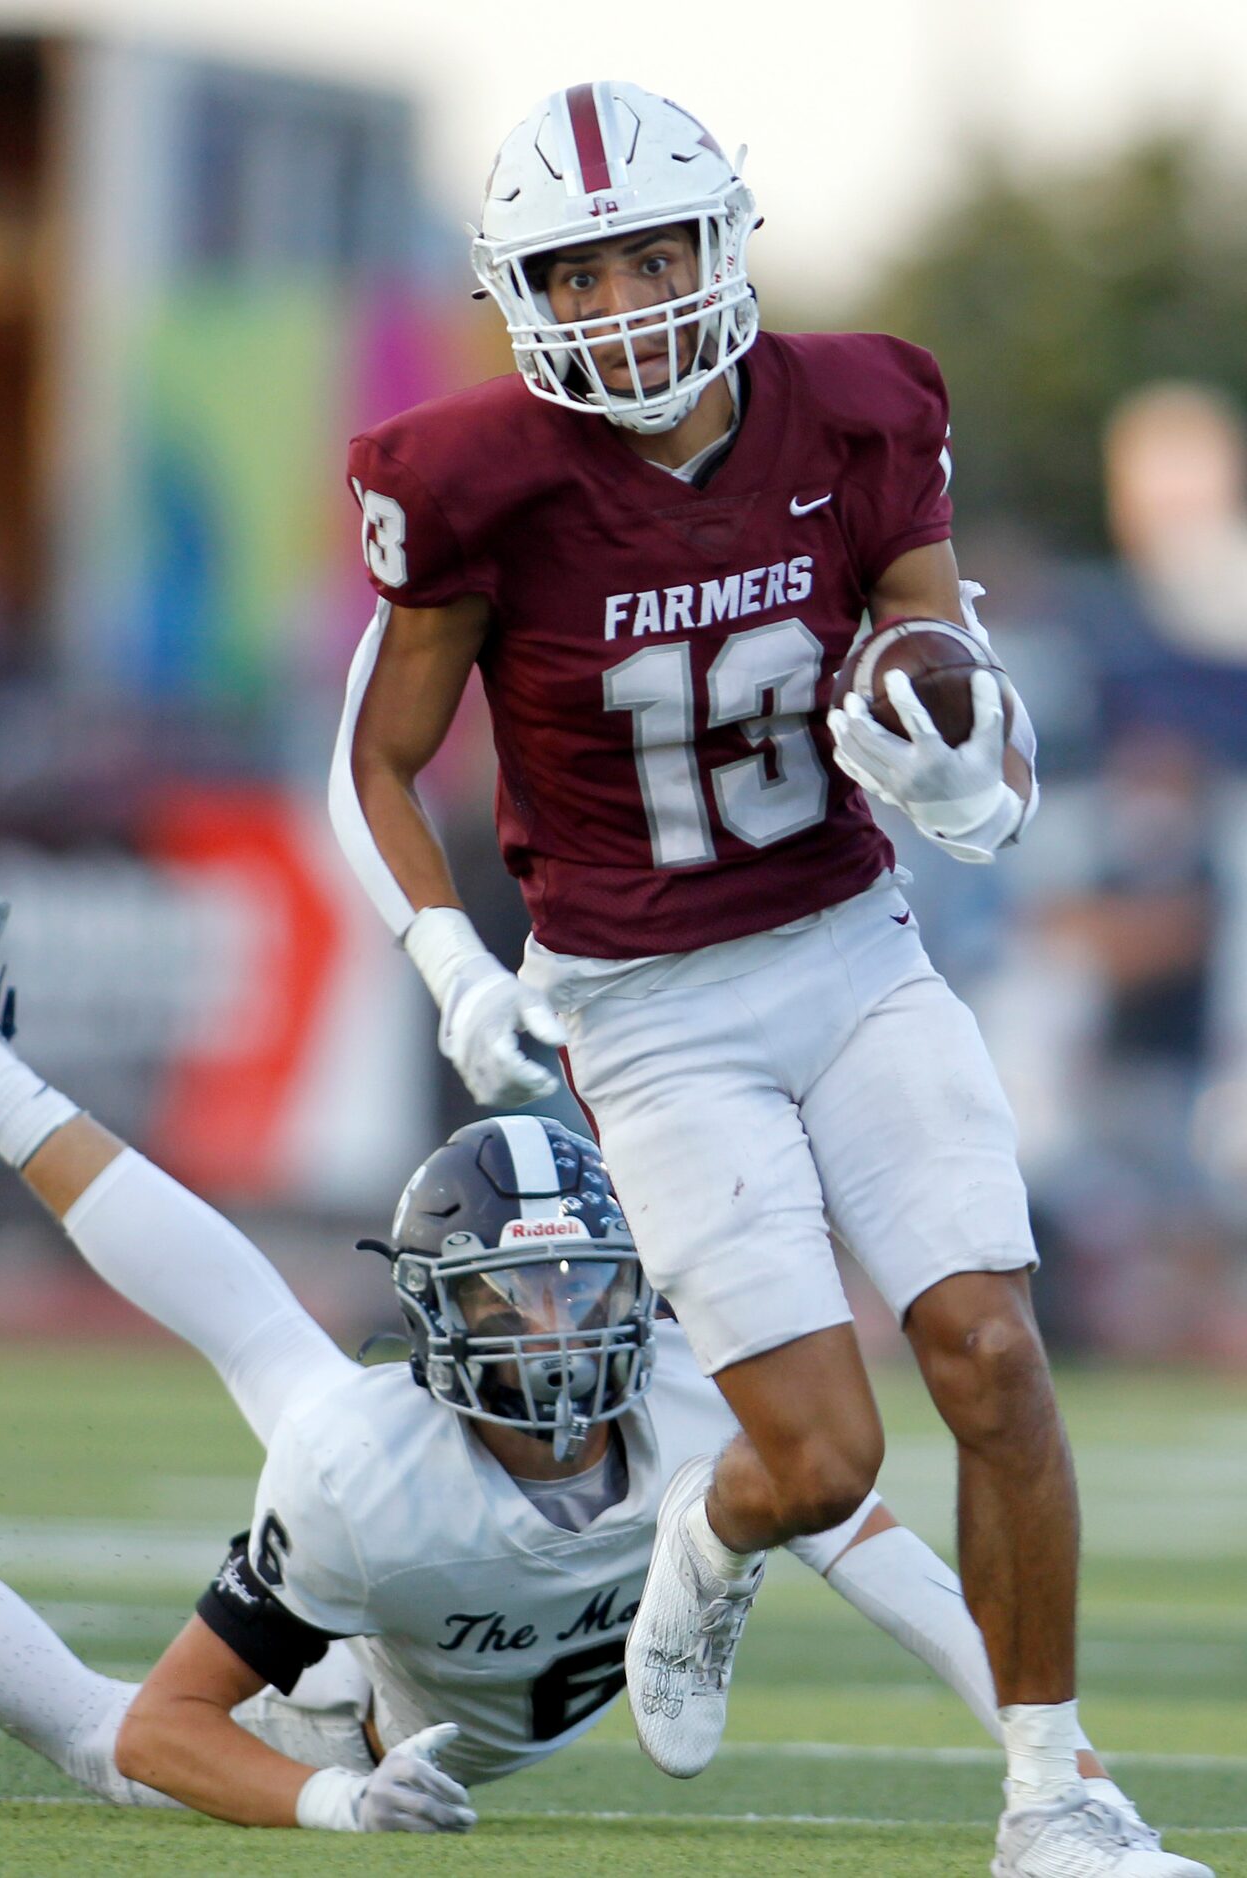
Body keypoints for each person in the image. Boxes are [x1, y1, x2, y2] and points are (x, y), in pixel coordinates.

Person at [329, 82, 1209, 1877]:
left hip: (849, 945)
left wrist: (958, 752)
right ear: (525, 295)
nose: (630, 299)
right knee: (813, 1455)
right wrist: (444, 952)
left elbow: (939, 664)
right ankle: (710, 1544)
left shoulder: (862, 406)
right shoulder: (468, 479)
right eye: (582, 273)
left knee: (992, 1351)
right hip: (646, 1007)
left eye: (658, 252)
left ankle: (1055, 1796)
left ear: (723, 244)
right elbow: (376, 762)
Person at [0, 887, 1157, 1841]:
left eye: (582, 1287)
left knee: (254, 1327)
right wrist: (329, 1796)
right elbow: (175, 1724)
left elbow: (898, 1568)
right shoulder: (371, 1469)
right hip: (356, 1699)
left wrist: (1054, 1753)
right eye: (517, 1298)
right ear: (439, 1322)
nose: (560, 1329)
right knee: (99, 1743)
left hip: (436, 1604)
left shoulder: (704, 1383)